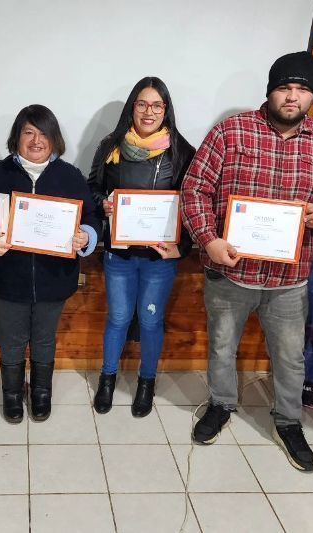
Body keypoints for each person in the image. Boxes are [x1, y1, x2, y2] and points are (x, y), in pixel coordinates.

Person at [181, 51, 313, 471]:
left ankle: (288, 421)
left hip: (290, 279)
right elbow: (194, 189)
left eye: (302, 89)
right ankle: (221, 404)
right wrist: (209, 240)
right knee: (222, 347)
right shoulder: (230, 132)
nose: (292, 97)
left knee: (291, 356)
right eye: (284, 87)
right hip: (230, 271)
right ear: (270, 90)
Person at [0, 104, 99, 423]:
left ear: (55, 139)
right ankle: (12, 395)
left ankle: (41, 393)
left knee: (43, 339)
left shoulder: (70, 176)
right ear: (17, 137)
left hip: (55, 280)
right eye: (28, 132)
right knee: (11, 340)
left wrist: (86, 235)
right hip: (7, 281)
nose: (36, 140)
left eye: (44, 133)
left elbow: (92, 216)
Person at [87, 77, 195, 417]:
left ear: (166, 110)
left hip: (159, 258)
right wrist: (102, 202)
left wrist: (185, 247)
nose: (149, 112)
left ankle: (146, 382)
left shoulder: (182, 151)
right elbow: (92, 187)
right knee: (118, 317)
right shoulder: (111, 145)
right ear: (132, 107)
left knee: (151, 321)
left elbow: (193, 203)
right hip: (119, 254)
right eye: (142, 104)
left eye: (157, 105)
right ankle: (108, 378)